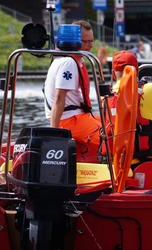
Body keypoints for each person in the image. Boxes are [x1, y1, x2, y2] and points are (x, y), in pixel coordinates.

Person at [44, 20, 101, 162]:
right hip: (69, 120)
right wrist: (54, 133)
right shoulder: (68, 63)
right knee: (113, 136)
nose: (90, 45)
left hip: (76, 116)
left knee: (110, 122)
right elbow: (59, 98)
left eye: (91, 41)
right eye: (85, 41)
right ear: (75, 41)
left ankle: (90, 162)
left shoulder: (65, 60)